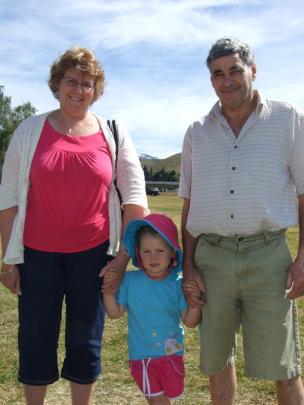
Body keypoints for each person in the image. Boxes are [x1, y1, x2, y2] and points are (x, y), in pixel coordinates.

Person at [0, 46, 148, 405]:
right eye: (71, 81)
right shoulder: (30, 130)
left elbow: (135, 199)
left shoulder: (112, 131)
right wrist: (8, 259)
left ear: (96, 90)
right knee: (35, 337)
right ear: (57, 83)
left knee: (86, 340)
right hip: (37, 256)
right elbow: (9, 199)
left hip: (94, 256)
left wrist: (121, 260)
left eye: (87, 83)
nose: (78, 90)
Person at [179, 37, 304, 405]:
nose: (227, 80)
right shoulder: (196, 133)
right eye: (218, 73)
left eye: (235, 70)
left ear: (253, 70)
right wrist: (188, 264)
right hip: (211, 258)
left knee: (284, 365)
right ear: (211, 80)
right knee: (217, 362)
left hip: (268, 257)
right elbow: (188, 205)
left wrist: (302, 259)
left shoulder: (288, 119)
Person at [103, 213, 202, 404]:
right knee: (157, 401)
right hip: (142, 356)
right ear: (137, 253)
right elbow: (114, 313)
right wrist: (107, 291)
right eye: (146, 251)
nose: (153, 257)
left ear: (173, 252)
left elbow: (189, 322)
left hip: (173, 354)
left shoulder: (178, 283)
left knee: (172, 396)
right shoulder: (130, 281)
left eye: (160, 251)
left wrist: (195, 302)